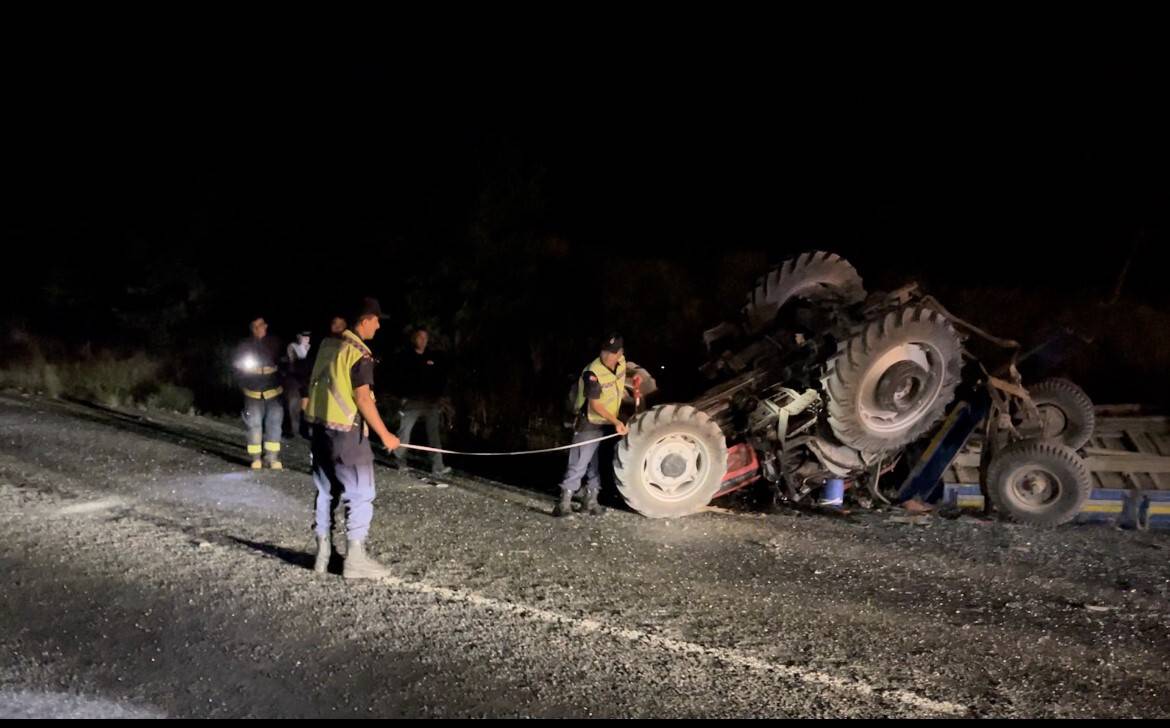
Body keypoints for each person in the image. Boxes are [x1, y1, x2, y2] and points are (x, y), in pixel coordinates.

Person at [303, 297, 401, 579]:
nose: (379, 325)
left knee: (325, 491)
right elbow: (362, 398)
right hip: (346, 434)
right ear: (365, 320)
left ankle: (323, 555)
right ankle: (355, 560)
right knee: (361, 493)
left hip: (319, 429)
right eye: (377, 320)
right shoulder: (360, 352)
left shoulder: (327, 344)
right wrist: (386, 435)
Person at [554, 333, 629, 517]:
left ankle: (591, 500)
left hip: (604, 422)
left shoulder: (622, 363)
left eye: (611, 352)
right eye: (604, 351)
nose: (606, 356)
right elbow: (595, 405)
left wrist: (636, 382)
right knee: (579, 461)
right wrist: (617, 422)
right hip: (589, 421)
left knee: (593, 462)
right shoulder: (593, 372)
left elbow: (623, 377)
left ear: (620, 353)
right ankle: (563, 503)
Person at [393, 326, 452, 476]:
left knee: (434, 434)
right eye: (420, 337)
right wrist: (402, 397)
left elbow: (439, 378)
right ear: (414, 338)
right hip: (411, 402)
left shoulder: (432, 357)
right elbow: (399, 378)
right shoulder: (406, 357)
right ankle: (400, 461)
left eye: (425, 338)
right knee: (404, 432)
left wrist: (440, 398)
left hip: (430, 402)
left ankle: (437, 466)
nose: (423, 340)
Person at [233, 316, 285, 469]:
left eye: (261, 325)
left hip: (273, 390)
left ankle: (272, 457)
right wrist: (243, 384)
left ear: (266, 326)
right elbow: (237, 368)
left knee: (274, 424)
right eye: (256, 326)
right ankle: (256, 458)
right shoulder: (244, 345)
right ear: (252, 328)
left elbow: (284, 363)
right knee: (253, 425)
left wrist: (283, 381)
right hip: (252, 391)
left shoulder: (275, 343)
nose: (259, 328)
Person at [282, 330, 312, 437]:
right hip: (294, 377)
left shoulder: (310, 348)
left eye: (308, 337)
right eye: (304, 337)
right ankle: (290, 429)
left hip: (305, 378)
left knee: (305, 405)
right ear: (299, 337)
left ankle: (303, 429)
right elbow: (293, 360)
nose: (306, 339)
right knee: (291, 403)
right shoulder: (293, 346)